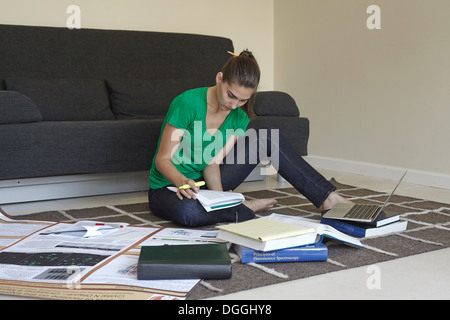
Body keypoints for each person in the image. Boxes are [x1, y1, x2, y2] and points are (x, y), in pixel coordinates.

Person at [148, 50, 352, 227]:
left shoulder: (240, 116)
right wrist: (182, 181)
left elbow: (212, 162)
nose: (234, 105)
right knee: (189, 214)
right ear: (219, 78)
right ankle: (243, 208)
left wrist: (220, 198)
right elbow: (162, 159)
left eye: (243, 100)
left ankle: (328, 198)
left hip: (205, 183)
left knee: (268, 137)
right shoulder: (187, 103)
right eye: (231, 95)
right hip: (169, 186)